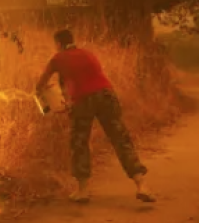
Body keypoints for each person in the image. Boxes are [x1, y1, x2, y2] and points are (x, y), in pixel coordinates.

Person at [35, 29, 155, 204]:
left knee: (79, 142)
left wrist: (47, 100)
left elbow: (40, 85)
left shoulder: (57, 59)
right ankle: (142, 185)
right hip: (107, 95)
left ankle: (82, 191)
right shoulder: (88, 53)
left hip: (83, 101)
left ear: (59, 44)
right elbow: (89, 77)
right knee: (120, 139)